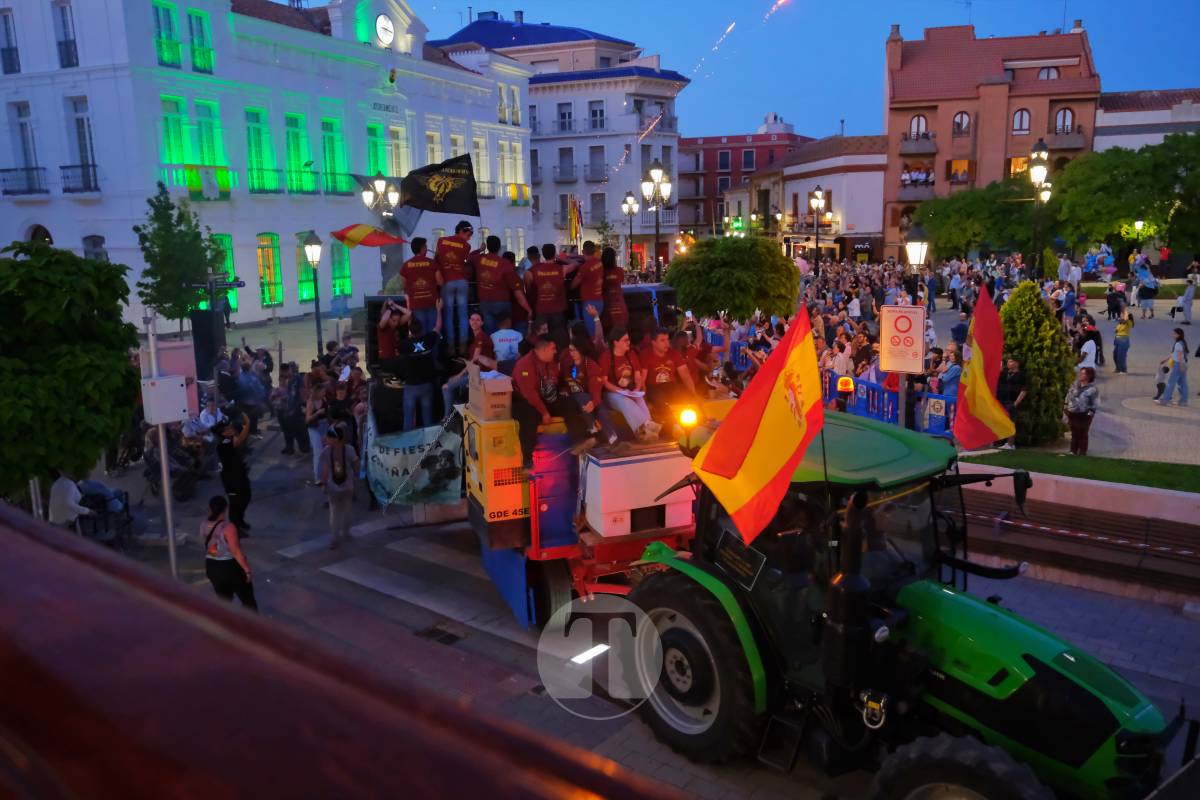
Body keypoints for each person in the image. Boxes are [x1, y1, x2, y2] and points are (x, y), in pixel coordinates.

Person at [511, 336, 593, 466]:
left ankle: (579, 440)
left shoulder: (551, 362)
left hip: (546, 397)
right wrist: (544, 412)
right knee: (529, 415)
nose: (555, 351)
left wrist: (564, 389)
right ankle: (527, 459)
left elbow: (559, 380)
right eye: (553, 348)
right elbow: (529, 394)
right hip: (524, 401)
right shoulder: (524, 365)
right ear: (543, 350)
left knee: (569, 403)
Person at [599, 325, 659, 442]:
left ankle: (649, 432)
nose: (628, 342)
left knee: (639, 399)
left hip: (629, 391)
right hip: (612, 393)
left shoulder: (630, 354)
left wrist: (636, 389)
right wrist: (622, 392)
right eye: (625, 340)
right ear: (616, 342)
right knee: (625, 401)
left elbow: (638, 375)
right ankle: (644, 431)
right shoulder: (606, 357)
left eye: (628, 340)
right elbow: (605, 382)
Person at [562, 333, 621, 447]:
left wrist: (594, 402)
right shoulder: (567, 363)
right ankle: (596, 433)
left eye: (574, 350)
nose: (571, 353)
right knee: (584, 398)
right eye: (570, 351)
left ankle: (612, 438)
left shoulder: (590, 364)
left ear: (581, 350)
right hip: (572, 398)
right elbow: (562, 380)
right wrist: (564, 389)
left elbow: (596, 386)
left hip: (588, 397)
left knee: (597, 405)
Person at [201, 496, 257, 610]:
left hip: (212, 567)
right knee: (248, 601)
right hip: (230, 568)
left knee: (224, 602)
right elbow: (236, 551)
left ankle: (226, 623)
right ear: (225, 509)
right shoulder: (228, 527)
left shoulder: (203, 524)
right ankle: (252, 626)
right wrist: (247, 571)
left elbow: (209, 547)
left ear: (210, 509)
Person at [638, 327, 697, 429]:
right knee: (659, 399)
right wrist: (644, 401)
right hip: (654, 387)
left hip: (671, 386)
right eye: (662, 340)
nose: (666, 343)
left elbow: (686, 377)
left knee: (687, 397)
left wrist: (694, 395)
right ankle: (673, 426)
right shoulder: (645, 354)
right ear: (653, 342)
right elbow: (642, 380)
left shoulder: (673, 353)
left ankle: (700, 422)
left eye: (667, 340)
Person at [442, 312, 497, 416]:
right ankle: (457, 413)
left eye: (477, 320)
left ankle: (447, 419)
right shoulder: (475, 338)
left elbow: (475, 359)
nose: (474, 322)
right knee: (452, 382)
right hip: (474, 373)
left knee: (446, 387)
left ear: (482, 323)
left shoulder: (481, 337)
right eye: (472, 319)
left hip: (481, 375)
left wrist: (459, 375)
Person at [476, 235, 532, 333]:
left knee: (490, 335)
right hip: (501, 303)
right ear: (499, 248)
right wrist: (529, 309)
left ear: (487, 246)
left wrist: (480, 250)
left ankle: (491, 347)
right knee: (504, 335)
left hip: (484, 303)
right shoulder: (504, 264)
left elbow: (470, 257)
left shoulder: (479, 259)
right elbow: (517, 292)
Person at [435, 220, 474, 353]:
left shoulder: (441, 241)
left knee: (449, 315)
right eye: (469, 234)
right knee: (463, 315)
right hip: (462, 282)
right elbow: (466, 263)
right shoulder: (466, 246)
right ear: (462, 231)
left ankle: (451, 347)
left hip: (447, 282)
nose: (470, 238)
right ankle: (463, 346)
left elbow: (436, 259)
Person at [318, 425, 359, 550]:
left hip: (346, 485)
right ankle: (336, 536)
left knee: (345, 511)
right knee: (336, 512)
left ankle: (343, 532)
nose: (326, 438)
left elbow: (355, 464)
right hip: (334, 486)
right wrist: (324, 484)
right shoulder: (327, 451)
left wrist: (356, 475)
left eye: (329, 437)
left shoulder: (347, 450)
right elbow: (325, 470)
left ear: (336, 439)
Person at [399, 317, 444, 430]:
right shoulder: (428, 339)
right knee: (427, 418)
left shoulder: (404, 344)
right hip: (426, 385)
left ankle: (408, 442)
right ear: (422, 329)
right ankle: (429, 443)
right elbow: (437, 328)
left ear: (410, 331)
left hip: (411, 386)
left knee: (408, 417)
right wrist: (438, 310)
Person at [216, 413, 253, 534]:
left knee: (246, 496)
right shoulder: (223, 443)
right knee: (235, 502)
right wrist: (247, 425)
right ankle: (234, 528)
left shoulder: (228, 438)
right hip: (230, 478)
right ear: (223, 433)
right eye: (228, 429)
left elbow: (238, 439)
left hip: (240, 473)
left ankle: (240, 520)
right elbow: (240, 439)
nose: (231, 429)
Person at [399, 237, 441, 334]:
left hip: (416, 304)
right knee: (433, 333)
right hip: (432, 303)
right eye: (425, 246)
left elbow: (403, 285)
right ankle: (433, 350)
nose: (427, 248)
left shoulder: (406, 265)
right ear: (422, 248)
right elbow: (440, 282)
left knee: (420, 333)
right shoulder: (432, 263)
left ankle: (422, 350)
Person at [527, 243, 571, 334]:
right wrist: (562, 258)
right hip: (558, 310)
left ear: (543, 255)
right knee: (559, 337)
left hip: (541, 309)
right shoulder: (562, 269)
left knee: (543, 337)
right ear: (555, 254)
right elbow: (576, 264)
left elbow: (529, 291)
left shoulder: (532, 272)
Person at [570, 241, 604, 338]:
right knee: (598, 328)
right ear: (594, 251)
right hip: (600, 301)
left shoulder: (584, 267)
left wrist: (568, 287)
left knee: (592, 334)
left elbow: (574, 284)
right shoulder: (599, 263)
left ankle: (595, 351)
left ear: (583, 251)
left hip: (590, 305)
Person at [1064, 367, 1099, 455]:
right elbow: (1068, 395)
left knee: (1083, 432)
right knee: (1074, 432)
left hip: (1084, 414)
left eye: (1083, 373)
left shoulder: (1093, 389)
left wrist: (1089, 414)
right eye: (1080, 373)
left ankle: (1082, 451)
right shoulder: (1074, 385)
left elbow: (1095, 403)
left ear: (1088, 376)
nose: (1080, 375)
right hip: (1072, 412)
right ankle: (1073, 450)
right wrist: (1065, 407)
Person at [995, 357, 1027, 450]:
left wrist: (1016, 403)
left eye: (1011, 361)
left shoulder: (1021, 375)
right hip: (1001, 400)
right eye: (1008, 361)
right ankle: (1001, 441)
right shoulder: (1004, 373)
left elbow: (1024, 390)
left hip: (1011, 401)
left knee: (1011, 422)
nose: (1009, 363)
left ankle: (1010, 444)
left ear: (1017, 363)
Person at [304, 382, 331, 484]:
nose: (324, 393)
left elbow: (327, 414)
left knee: (325, 450)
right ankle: (317, 476)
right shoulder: (311, 402)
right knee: (318, 451)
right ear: (317, 392)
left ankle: (326, 474)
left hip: (324, 426)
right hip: (314, 428)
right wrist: (317, 413)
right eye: (323, 391)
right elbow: (307, 420)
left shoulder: (324, 400)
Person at [1158, 328, 1190, 406]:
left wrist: (1181, 366)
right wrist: (1165, 360)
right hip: (1183, 364)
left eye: (1174, 334)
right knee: (1183, 383)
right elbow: (1174, 354)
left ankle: (1165, 399)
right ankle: (1184, 400)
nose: (1173, 335)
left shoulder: (1178, 344)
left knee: (1171, 382)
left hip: (1178, 364)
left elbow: (1179, 356)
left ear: (1178, 335)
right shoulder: (1182, 342)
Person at [599, 247, 628, 332]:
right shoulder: (619, 271)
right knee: (620, 328)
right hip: (619, 303)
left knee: (607, 329)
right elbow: (621, 281)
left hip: (606, 303)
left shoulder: (601, 271)